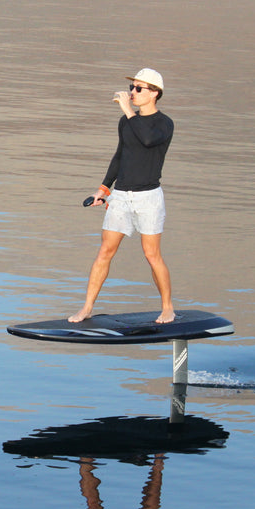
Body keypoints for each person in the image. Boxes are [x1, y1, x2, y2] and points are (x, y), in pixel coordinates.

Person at [69, 68, 175, 324]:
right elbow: (120, 156)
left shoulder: (164, 123)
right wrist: (103, 189)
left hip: (148, 198)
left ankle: (168, 308)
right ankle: (87, 308)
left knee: (152, 255)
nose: (133, 93)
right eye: (132, 88)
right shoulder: (126, 122)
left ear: (154, 94)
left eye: (139, 89)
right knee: (105, 251)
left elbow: (148, 140)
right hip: (121, 196)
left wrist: (128, 111)